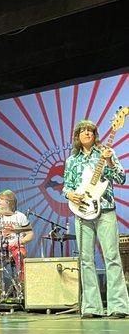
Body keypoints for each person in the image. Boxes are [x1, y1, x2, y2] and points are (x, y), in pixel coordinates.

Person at [63, 119, 128, 319]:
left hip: (106, 209)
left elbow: (121, 178)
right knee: (86, 260)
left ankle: (118, 306)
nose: (87, 133)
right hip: (82, 211)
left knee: (112, 257)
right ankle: (91, 307)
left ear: (95, 135)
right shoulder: (72, 160)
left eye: (90, 130)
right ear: (77, 136)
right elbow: (67, 184)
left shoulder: (106, 152)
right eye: (83, 130)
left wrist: (108, 160)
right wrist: (69, 194)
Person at [0, 190, 34, 281]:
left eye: (0, 199)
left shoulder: (20, 216)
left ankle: (22, 282)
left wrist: (20, 241)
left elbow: (30, 234)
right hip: (0, 247)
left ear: (8, 201)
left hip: (16, 246)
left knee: (20, 253)